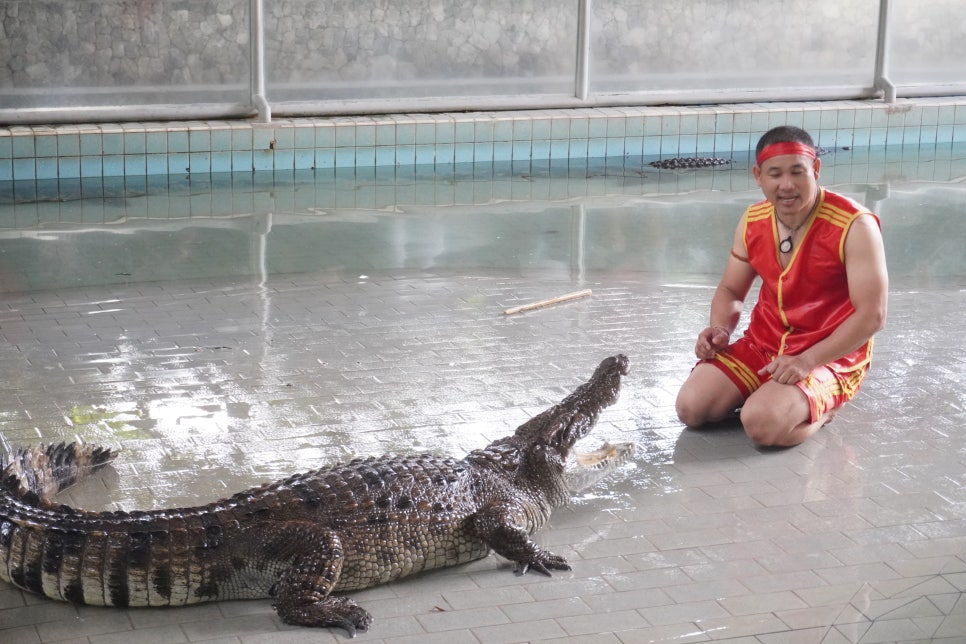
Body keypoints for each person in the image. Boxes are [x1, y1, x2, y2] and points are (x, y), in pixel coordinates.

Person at [675, 126, 888, 447]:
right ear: (758, 176)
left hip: (831, 354)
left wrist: (807, 360)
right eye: (775, 174)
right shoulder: (753, 220)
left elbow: (872, 315)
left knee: (761, 425)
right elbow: (731, 291)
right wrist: (719, 328)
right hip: (764, 344)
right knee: (691, 409)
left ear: (815, 169)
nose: (786, 185)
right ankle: (780, 400)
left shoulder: (854, 225)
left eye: (797, 172)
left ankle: (825, 408)